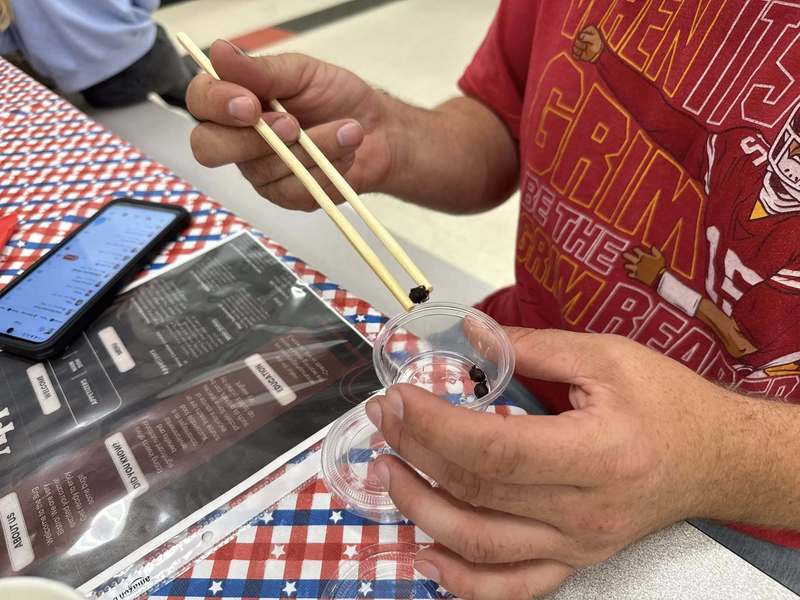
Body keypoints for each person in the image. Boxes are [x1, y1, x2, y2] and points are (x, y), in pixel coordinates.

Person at [185, 2, 800, 598]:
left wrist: (719, 455)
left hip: (753, 503)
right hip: (503, 371)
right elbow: (508, 122)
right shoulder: (737, 150)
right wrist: (393, 136)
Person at [0, 0, 193, 110]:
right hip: (142, 45)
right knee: (197, 100)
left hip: (91, 82)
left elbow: (6, 41)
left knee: (148, 131)